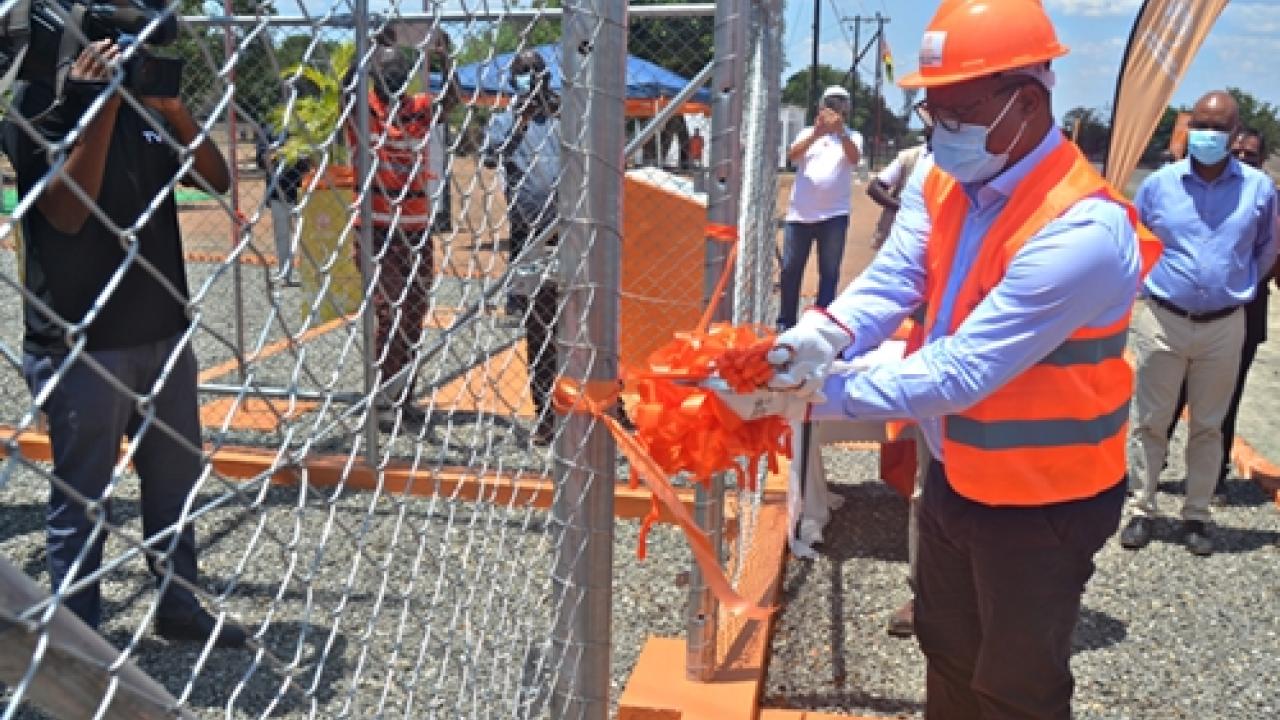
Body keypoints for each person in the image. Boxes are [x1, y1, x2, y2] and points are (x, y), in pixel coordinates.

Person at [766, 1, 1161, 714]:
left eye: (957, 110)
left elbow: (962, 372)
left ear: (1029, 99)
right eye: (931, 112)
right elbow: (898, 276)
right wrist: (824, 334)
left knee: (1015, 686)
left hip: (1043, 500)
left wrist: (812, 396)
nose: (940, 129)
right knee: (945, 644)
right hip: (953, 472)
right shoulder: (946, 177)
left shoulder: (1084, 230)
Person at [1, 37, 246, 646]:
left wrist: (174, 110)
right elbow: (66, 213)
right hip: (83, 343)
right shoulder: (35, 107)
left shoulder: (145, 112)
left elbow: (214, 176)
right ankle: (76, 635)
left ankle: (179, 607)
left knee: (173, 480)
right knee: (84, 494)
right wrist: (98, 106)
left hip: (161, 329)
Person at [1122, 97, 1277, 556]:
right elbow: (1136, 241)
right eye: (1200, 125)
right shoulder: (1158, 186)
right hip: (1162, 319)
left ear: (1234, 134)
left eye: (1218, 127)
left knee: (1209, 425)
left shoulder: (1259, 190)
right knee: (1149, 420)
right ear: (1188, 129)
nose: (1208, 134)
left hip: (1224, 324)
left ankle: (1197, 515)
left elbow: (1267, 249)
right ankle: (1141, 509)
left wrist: (1238, 285)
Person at [345, 30, 458, 434]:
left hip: (416, 229)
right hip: (376, 230)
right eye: (384, 67)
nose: (392, 73)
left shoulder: (418, 110)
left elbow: (452, 102)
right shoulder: (364, 112)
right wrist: (369, 44)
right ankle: (383, 400)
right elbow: (347, 88)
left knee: (413, 315)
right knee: (388, 313)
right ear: (373, 72)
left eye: (399, 68)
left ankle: (403, 397)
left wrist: (444, 58)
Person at [1164, 128, 1275, 501]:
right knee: (1171, 394)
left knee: (1224, 402)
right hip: (1184, 316)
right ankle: (1155, 462)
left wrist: (1244, 282)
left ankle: (1212, 479)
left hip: (1242, 317)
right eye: (1238, 152)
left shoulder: (1265, 196)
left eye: (1252, 155)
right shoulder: (1192, 193)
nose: (1243, 159)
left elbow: (1270, 254)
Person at [481, 49, 563, 445]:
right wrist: (520, 123)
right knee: (541, 327)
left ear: (547, 77)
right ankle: (546, 416)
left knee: (588, 324)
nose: (530, 79)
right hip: (530, 237)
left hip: (575, 233)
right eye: (522, 74)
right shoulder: (503, 121)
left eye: (535, 73)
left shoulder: (569, 116)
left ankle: (604, 406)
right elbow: (491, 158)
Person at [776, 85, 863, 329]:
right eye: (831, 103)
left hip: (833, 215)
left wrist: (840, 132)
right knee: (791, 271)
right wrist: (816, 134)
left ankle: (820, 325)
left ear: (847, 109)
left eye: (840, 103)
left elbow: (854, 159)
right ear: (821, 106)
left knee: (829, 272)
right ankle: (786, 322)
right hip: (800, 215)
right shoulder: (807, 132)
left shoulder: (853, 136)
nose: (835, 108)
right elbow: (792, 156)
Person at [255, 126, 311, 286]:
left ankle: (309, 273)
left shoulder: (300, 126)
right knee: (282, 234)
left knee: (305, 233)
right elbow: (261, 159)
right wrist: (275, 154)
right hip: (277, 191)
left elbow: (309, 158)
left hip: (302, 189)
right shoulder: (268, 130)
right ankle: (285, 273)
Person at [867, 115, 931, 250]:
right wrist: (903, 207)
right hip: (901, 233)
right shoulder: (910, 157)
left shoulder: (957, 163)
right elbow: (875, 187)